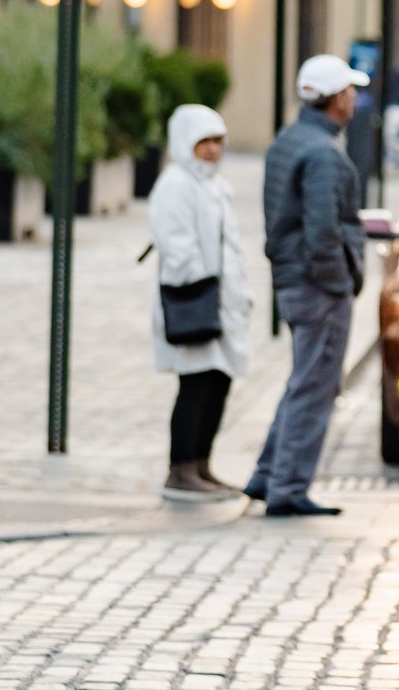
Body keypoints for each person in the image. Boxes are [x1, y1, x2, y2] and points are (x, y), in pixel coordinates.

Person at [246, 54, 369, 518]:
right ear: (337, 98)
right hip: (317, 287)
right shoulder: (322, 153)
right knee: (315, 386)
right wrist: (341, 283)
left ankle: (267, 475)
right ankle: (288, 486)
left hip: (293, 280)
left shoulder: (289, 140)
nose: (355, 98)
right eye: (351, 91)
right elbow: (322, 230)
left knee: (302, 381)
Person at [150, 103, 253, 501]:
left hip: (221, 301)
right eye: (203, 141)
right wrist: (200, 288)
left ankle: (202, 463)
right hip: (196, 300)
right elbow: (177, 245)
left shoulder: (216, 186)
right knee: (195, 383)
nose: (212, 149)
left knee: (218, 381)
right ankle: (181, 467)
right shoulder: (176, 184)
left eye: (217, 141)